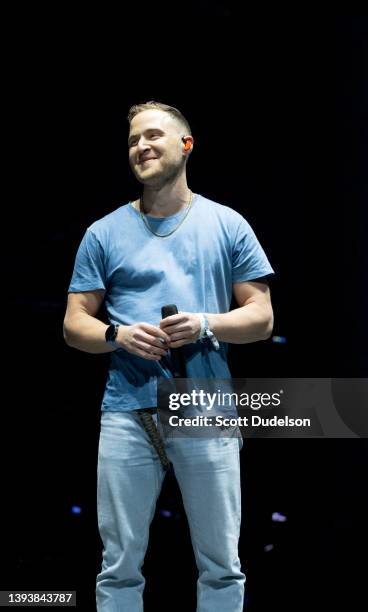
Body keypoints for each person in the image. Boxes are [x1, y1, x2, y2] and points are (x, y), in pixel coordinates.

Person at [63, 100, 274, 612]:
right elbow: (74, 325)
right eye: (134, 140)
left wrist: (205, 323)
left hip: (206, 410)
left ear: (186, 145)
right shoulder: (103, 232)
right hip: (126, 413)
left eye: (153, 135)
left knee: (222, 567)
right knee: (118, 569)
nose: (142, 146)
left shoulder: (227, 224)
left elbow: (262, 317)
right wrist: (117, 334)